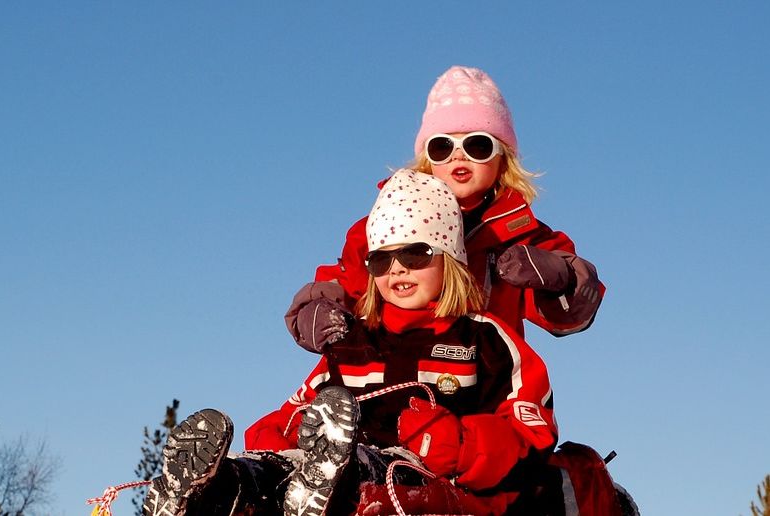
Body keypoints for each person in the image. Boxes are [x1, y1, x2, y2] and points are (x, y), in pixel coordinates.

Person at [142, 170, 561, 516]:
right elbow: (296, 409)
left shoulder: (483, 340)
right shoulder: (353, 341)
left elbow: (532, 434)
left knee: (369, 475)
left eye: (415, 254)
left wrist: (462, 444)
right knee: (283, 467)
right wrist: (281, 434)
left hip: (427, 484)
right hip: (335, 470)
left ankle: (322, 487)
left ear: (449, 258)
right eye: (382, 258)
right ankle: (219, 490)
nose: (398, 268)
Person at [286, 65, 604, 357]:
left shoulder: (524, 235)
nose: (458, 156)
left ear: (503, 157)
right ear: (428, 158)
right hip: (400, 371)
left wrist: (559, 278)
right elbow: (349, 280)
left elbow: (569, 317)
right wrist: (319, 307)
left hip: (487, 379)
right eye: (443, 146)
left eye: (477, 145)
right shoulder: (388, 225)